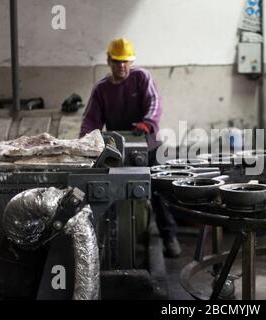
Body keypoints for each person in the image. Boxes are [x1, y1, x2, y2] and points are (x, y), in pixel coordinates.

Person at [80, 38, 181, 258]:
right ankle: (115, 243)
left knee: (159, 191)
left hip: (150, 147)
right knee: (115, 195)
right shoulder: (102, 89)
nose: (122, 66)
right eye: (117, 61)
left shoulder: (141, 78)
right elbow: (90, 120)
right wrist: (85, 142)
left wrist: (147, 122)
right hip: (120, 153)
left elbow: (154, 103)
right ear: (109, 61)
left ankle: (169, 236)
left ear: (131, 62)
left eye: (126, 61)